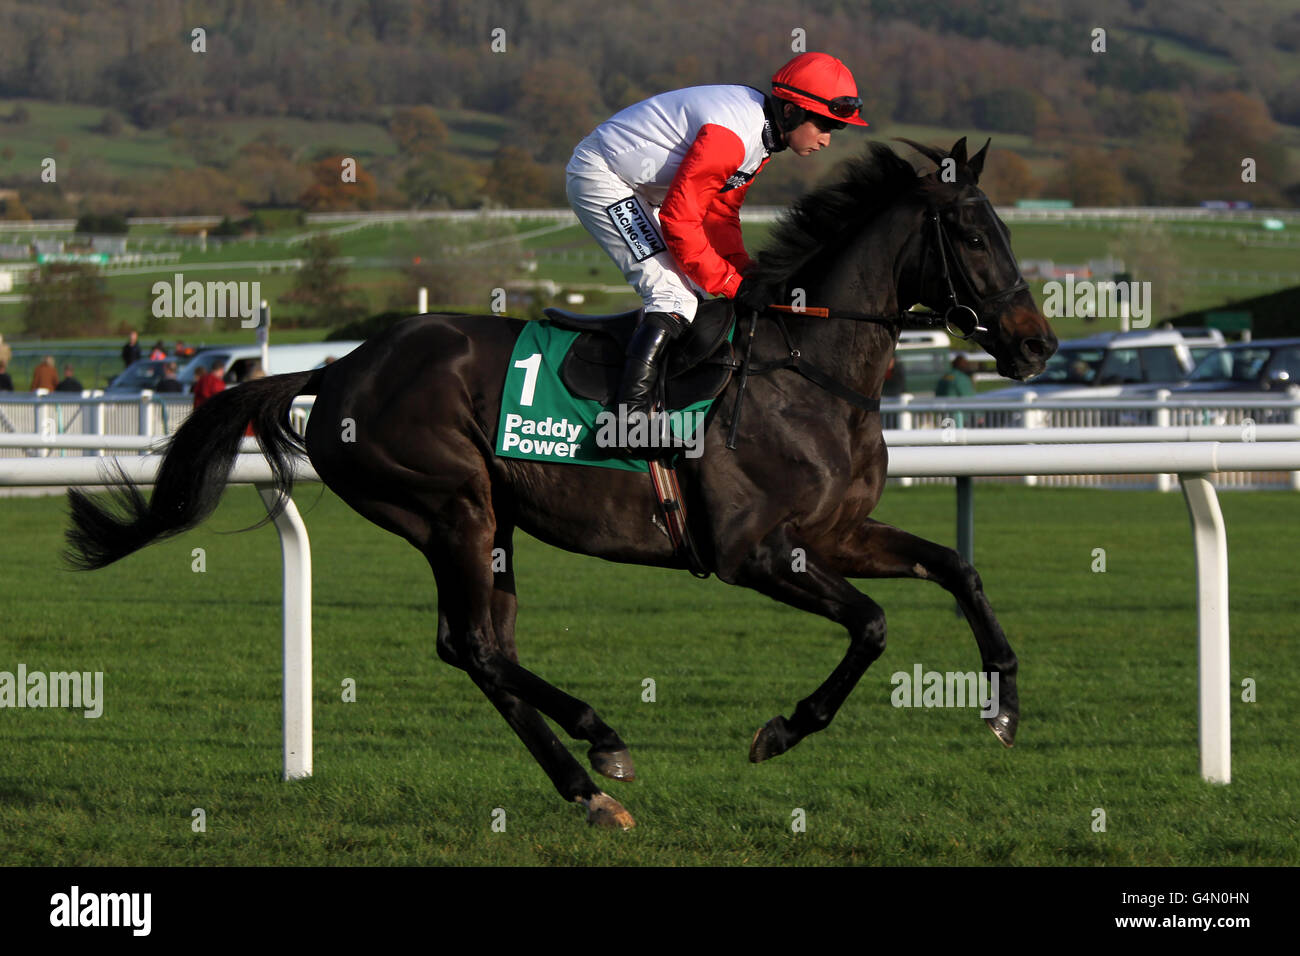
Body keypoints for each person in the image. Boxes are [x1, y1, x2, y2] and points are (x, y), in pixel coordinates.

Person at [565, 51, 868, 426]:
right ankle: (629, 422)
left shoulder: (763, 136)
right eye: (823, 125)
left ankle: (666, 402)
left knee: (697, 294)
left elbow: (719, 214)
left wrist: (749, 275)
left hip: (644, 189)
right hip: (604, 178)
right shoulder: (732, 136)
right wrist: (733, 285)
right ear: (790, 111)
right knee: (672, 295)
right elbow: (680, 221)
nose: (826, 140)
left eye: (834, 130)